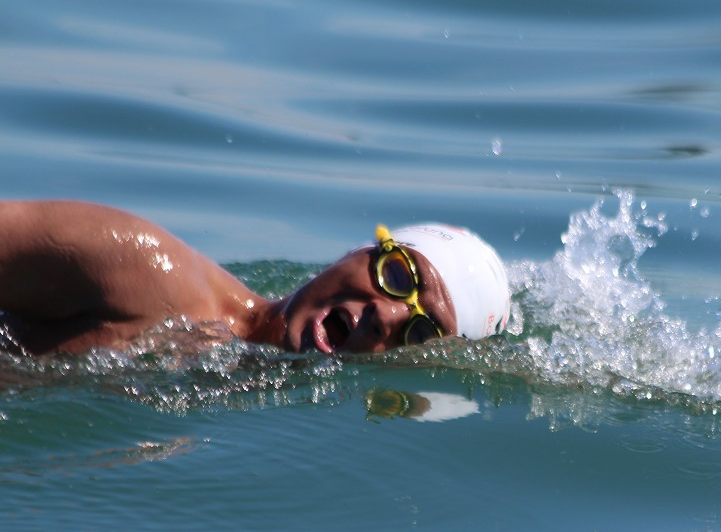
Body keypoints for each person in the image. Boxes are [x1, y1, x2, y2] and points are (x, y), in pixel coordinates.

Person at [0, 200, 510, 355]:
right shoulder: (141, 270)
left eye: (419, 333)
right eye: (397, 276)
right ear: (358, 251)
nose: (385, 316)